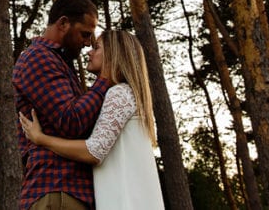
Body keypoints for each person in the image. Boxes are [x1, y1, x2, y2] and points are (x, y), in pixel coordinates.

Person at [18, 30, 166, 210]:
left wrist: (42, 139)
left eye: (97, 48)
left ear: (114, 54)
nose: (89, 51)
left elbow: (94, 151)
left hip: (123, 200)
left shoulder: (119, 93)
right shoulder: (128, 94)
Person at [12, 0, 112, 210]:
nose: (87, 43)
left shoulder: (58, 62)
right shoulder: (39, 58)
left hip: (67, 191)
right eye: (85, 34)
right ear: (64, 23)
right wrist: (105, 79)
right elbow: (71, 121)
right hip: (57, 189)